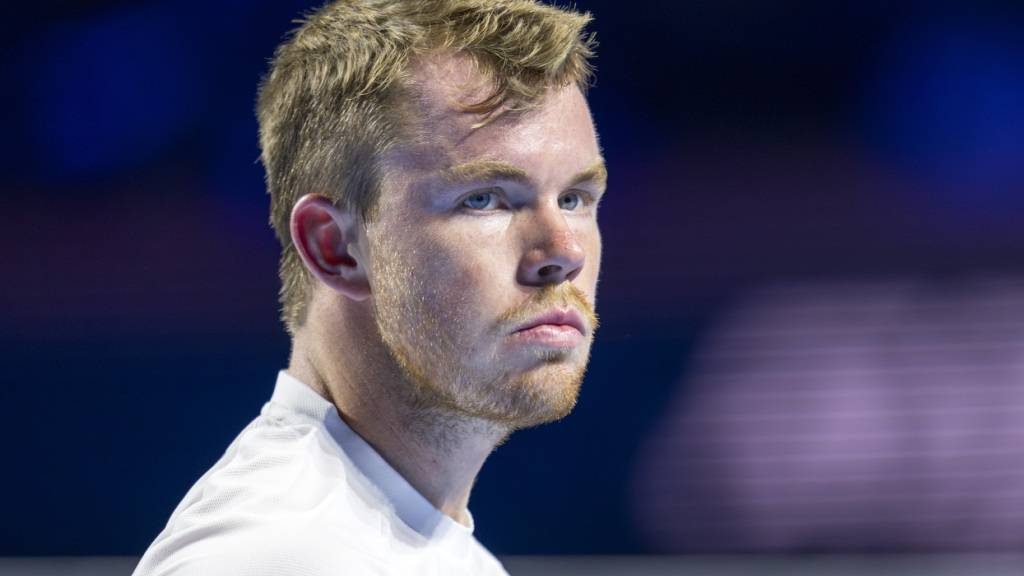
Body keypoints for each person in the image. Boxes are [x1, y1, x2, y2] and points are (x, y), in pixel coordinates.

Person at [133, 0, 605, 574]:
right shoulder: (272, 556)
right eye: (483, 199)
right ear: (334, 248)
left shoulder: (409, 544)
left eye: (575, 199)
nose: (563, 253)